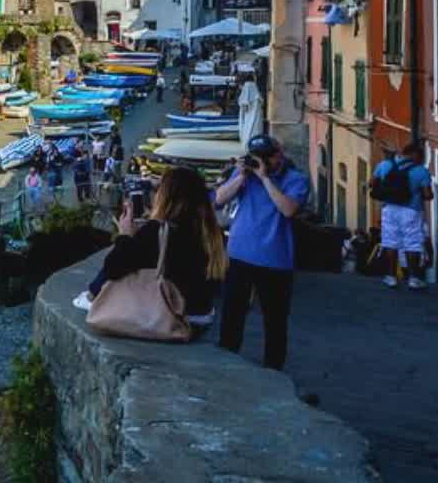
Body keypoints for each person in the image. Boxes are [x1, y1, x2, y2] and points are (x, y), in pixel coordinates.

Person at [77, 168, 228, 331]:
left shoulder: (157, 230)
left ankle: (92, 294)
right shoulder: (213, 232)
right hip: (202, 313)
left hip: (174, 314)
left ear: (166, 196)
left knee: (126, 258)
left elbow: (113, 268)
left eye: (158, 189)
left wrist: (125, 235)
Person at [214, 133, 310, 370]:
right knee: (232, 313)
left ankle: (273, 369)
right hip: (239, 253)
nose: (262, 162)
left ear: (278, 156)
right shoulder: (245, 174)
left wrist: (265, 178)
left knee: (274, 318)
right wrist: (241, 176)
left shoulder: (296, 179)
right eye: (258, 157)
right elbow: (219, 199)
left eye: (267, 157)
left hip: (274, 259)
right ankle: (226, 360)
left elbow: (288, 210)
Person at [371, 142, 434, 289]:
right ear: (415, 155)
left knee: (390, 242)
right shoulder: (421, 171)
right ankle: (413, 278)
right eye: (422, 156)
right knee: (412, 242)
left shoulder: (385, 165)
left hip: (389, 208)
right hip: (411, 211)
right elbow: (427, 195)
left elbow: (373, 184)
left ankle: (391, 276)